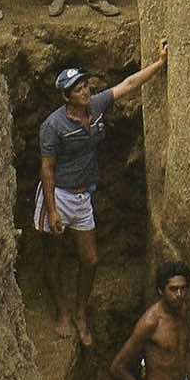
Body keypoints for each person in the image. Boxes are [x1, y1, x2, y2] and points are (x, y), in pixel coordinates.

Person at [35, 46, 168, 347]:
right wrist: (54, 211)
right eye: (77, 89)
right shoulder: (53, 126)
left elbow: (128, 85)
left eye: (85, 85)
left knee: (90, 259)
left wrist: (160, 64)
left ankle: (81, 312)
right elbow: (47, 169)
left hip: (83, 198)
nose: (85, 91)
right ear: (66, 97)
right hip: (59, 195)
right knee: (53, 256)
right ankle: (62, 311)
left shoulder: (95, 106)